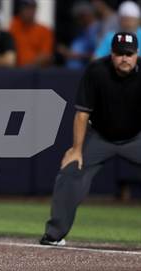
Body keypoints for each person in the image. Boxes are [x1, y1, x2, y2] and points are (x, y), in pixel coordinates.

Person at [40, 32, 141, 246]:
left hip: (135, 138)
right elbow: (82, 114)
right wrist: (76, 150)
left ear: (136, 55)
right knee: (71, 170)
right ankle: (55, 234)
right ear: (112, 54)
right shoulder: (97, 71)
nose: (124, 58)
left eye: (129, 54)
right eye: (119, 53)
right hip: (100, 137)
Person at [9, 0, 53, 67]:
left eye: (31, 8)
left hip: (37, 72)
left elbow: (46, 55)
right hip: (16, 71)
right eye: (25, 8)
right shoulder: (14, 26)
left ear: (35, 10)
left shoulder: (44, 30)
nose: (28, 12)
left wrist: (29, 66)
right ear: (20, 10)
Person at [57, 1, 99, 69]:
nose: (78, 21)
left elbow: (99, 54)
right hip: (74, 72)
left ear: (86, 15)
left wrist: (75, 55)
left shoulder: (98, 29)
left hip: (89, 71)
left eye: (80, 17)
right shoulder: (82, 31)